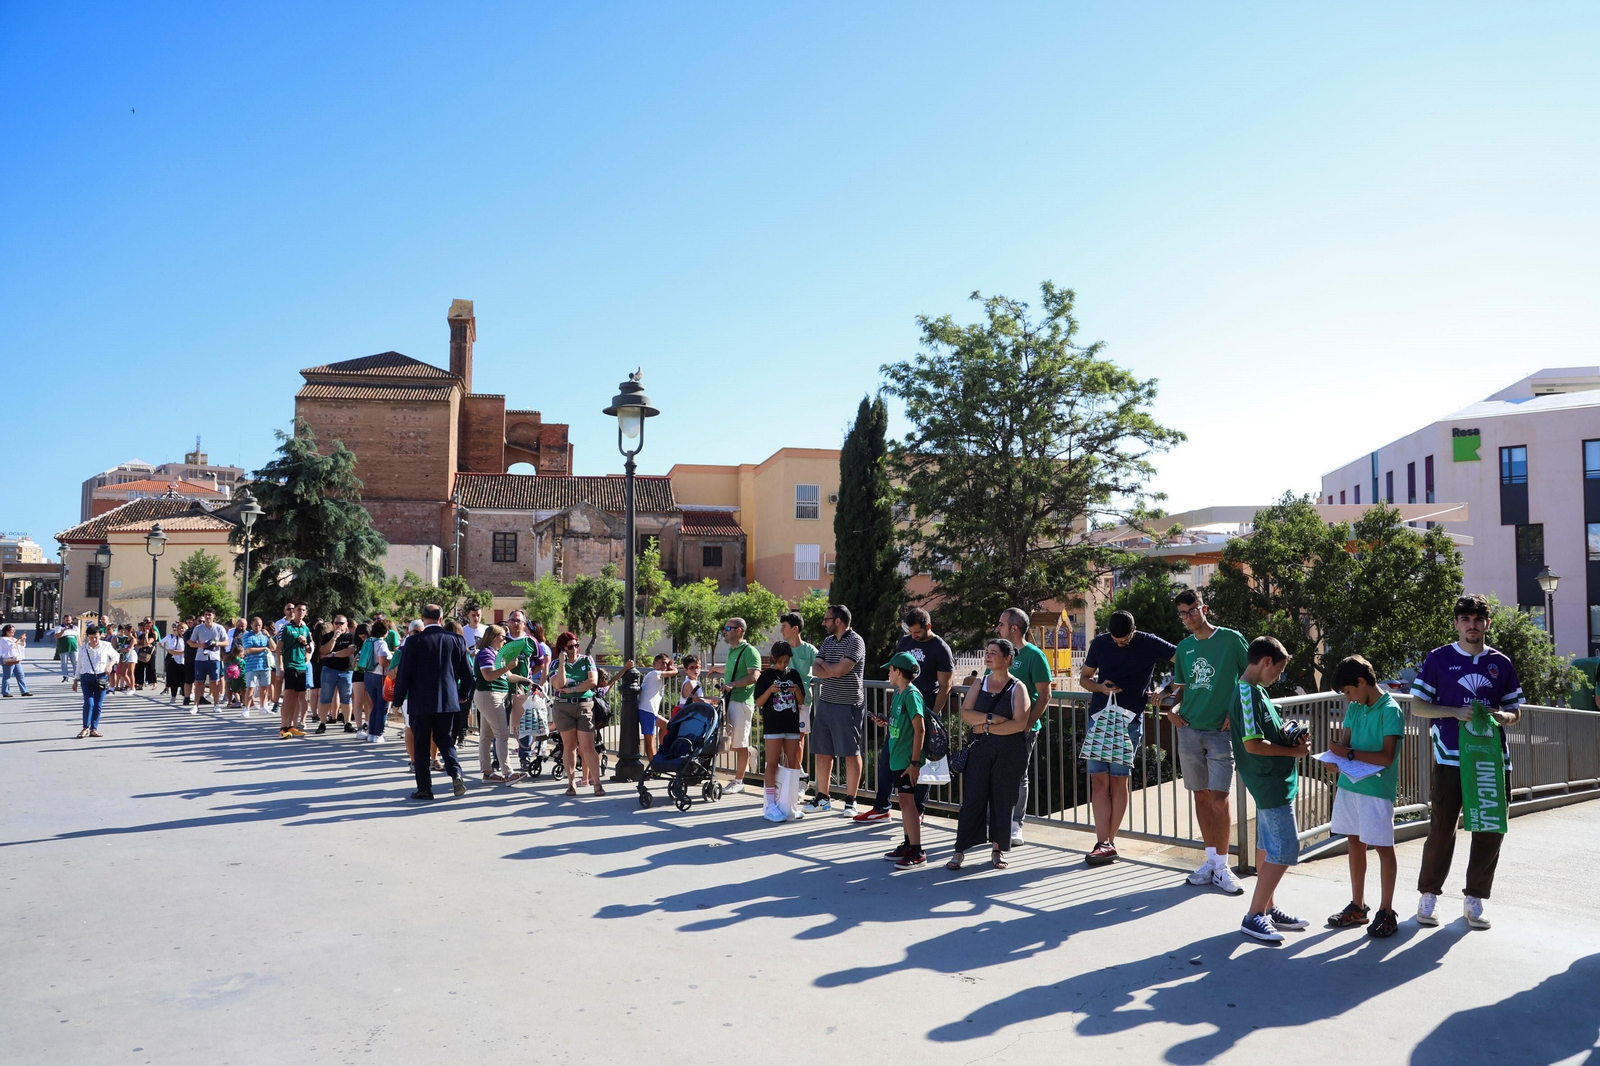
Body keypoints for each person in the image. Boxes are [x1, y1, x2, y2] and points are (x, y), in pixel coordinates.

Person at [1408, 593, 1522, 930]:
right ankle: (1429, 895)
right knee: (1442, 828)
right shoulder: (1438, 658)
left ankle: (1475, 898)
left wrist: (1502, 716)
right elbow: (1418, 706)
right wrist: (1453, 712)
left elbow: (1515, 711)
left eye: (1478, 620)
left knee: (1490, 828)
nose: (1472, 625)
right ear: (1456, 624)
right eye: (1466, 619)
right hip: (1450, 756)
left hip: (1490, 759)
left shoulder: (1501, 663)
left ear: (1487, 623)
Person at [1166, 587, 1250, 895]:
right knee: (1200, 797)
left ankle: (1224, 866)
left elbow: (1252, 678)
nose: (1188, 617)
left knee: (1219, 799)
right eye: (1182, 614)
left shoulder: (1231, 639)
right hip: (1188, 729)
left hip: (1220, 731)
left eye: (1192, 610)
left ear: (1204, 608)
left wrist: (1235, 711)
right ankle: (1211, 861)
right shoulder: (1184, 647)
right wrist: (1171, 710)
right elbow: (1182, 688)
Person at [1229, 636, 1312, 942]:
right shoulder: (1247, 694)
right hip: (1269, 782)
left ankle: (1267, 907)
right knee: (1285, 849)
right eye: (1278, 670)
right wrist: (1294, 752)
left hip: (1274, 780)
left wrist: (1289, 737)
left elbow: (1265, 733)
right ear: (1266, 661)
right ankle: (1254, 916)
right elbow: (1253, 744)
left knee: (1267, 845)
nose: (1277, 677)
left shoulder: (1256, 691)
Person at [1077, 610, 1177, 865]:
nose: (1119, 643)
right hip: (1099, 720)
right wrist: (1099, 687)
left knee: (1119, 781)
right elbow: (1084, 678)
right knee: (1098, 781)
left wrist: (1166, 689)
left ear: (1134, 630)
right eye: (1115, 639)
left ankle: (1108, 843)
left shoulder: (1149, 641)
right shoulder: (1100, 643)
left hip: (1129, 722)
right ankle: (1103, 843)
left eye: (1124, 639)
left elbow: (1186, 660)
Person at [1324, 654, 1405, 938]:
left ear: (1361, 682)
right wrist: (1335, 760)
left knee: (1383, 847)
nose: (1348, 698)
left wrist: (1346, 754)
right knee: (1354, 842)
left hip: (1376, 792)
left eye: (1348, 691)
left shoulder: (1391, 710)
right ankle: (1358, 906)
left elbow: (1386, 757)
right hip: (1349, 786)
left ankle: (1387, 911)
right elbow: (1345, 745)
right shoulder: (1356, 708)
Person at [859, 607, 952, 824]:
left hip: (923, 710)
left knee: (920, 763)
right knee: (888, 758)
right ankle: (881, 808)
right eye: (910, 632)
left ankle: (917, 810)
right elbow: (897, 673)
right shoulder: (905, 642)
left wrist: (932, 715)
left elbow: (945, 685)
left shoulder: (940, 648)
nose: (913, 636)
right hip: (902, 711)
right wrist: (892, 713)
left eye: (917, 632)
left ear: (928, 627)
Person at [947, 639, 1032, 870]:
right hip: (980, 751)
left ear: (1007, 658)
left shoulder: (1018, 688)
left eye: (994, 653)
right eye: (987, 652)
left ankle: (998, 849)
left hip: (1008, 752)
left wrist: (984, 727)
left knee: (1002, 801)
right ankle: (959, 850)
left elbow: (1019, 724)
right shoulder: (980, 682)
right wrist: (991, 719)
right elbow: (966, 714)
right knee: (972, 800)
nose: (988, 656)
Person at [392, 604, 472, 800]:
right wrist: (463, 694)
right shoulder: (456, 640)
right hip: (448, 699)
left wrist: (397, 700)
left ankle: (424, 788)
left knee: (421, 743)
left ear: (422, 618)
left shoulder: (413, 641)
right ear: (441, 619)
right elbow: (467, 673)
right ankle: (456, 772)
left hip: (420, 700)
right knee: (444, 738)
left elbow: (404, 673)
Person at [992, 608, 1053, 847]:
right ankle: (996, 822)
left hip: (1021, 729)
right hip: (996, 727)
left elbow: (1045, 695)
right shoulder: (1000, 652)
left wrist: (1027, 724)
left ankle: (1015, 823)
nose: (997, 628)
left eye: (1001, 624)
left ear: (1014, 629)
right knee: (994, 774)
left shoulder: (1034, 656)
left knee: (1018, 775)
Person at [804, 605, 868, 814]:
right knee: (823, 752)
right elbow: (815, 669)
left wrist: (827, 667)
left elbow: (842, 670)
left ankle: (851, 800)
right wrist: (832, 668)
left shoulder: (856, 641)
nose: (824, 623)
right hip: (826, 703)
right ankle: (823, 798)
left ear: (838, 621)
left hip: (848, 705)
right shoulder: (828, 641)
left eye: (827, 619)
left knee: (851, 753)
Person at [880, 651, 927, 869]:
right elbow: (901, 722)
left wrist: (914, 763)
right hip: (898, 757)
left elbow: (920, 730)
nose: (888, 673)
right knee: (904, 801)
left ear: (898, 672)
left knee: (908, 803)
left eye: (890, 670)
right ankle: (908, 844)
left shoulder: (911, 694)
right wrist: (886, 722)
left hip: (908, 760)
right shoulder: (899, 692)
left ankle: (917, 851)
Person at [548, 631, 604, 797]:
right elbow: (559, 684)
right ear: (562, 648)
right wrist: (562, 664)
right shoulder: (555, 664)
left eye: (576, 645)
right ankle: (571, 783)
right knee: (569, 746)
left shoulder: (587, 660)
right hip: (563, 707)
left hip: (584, 705)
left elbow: (592, 681)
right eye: (571, 647)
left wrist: (573, 689)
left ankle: (597, 783)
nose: (575, 649)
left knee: (587, 746)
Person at [755, 642, 806, 822]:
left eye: (786, 661)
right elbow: (759, 702)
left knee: (793, 763)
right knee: (772, 764)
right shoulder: (766, 676)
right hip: (773, 726)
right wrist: (770, 690)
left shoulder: (793, 674)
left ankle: (790, 803)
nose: (783, 665)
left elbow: (801, 701)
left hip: (791, 725)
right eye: (781, 661)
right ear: (774, 658)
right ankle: (770, 805)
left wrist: (796, 689)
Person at [473, 625, 528, 783]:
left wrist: (527, 680)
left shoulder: (497, 654)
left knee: (486, 736)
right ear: (493, 637)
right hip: (490, 695)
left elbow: (509, 676)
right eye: (503, 637)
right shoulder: (486, 653)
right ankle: (508, 773)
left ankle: (487, 773)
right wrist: (507, 667)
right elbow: (488, 676)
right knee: (502, 735)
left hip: (491, 696)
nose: (505, 640)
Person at [714, 617, 762, 794]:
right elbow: (732, 668)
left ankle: (739, 781)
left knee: (739, 744)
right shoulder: (732, 651)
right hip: (730, 701)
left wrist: (733, 684)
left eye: (728, 628)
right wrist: (715, 669)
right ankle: (751, 751)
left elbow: (753, 676)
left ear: (739, 630)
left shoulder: (750, 651)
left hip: (742, 702)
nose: (725, 631)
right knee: (733, 742)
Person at [779, 611, 818, 778]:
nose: (781, 630)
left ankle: (796, 778)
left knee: (798, 741)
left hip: (803, 701)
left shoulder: (810, 650)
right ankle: (796, 776)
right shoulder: (781, 648)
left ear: (795, 628)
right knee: (784, 741)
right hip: (782, 701)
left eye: (784, 626)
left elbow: (821, 668)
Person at [76, 624, 120, 737]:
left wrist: (110, 665)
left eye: (96, 637)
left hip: (101, 677)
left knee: (98, 704)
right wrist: (76, 679)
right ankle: (85, 727)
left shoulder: (106, 645)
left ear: (100, 635)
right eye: (91, 637)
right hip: (86, 677)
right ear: (87, 637)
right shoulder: (83, 649)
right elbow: (79, 664)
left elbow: (116, 656)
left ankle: (94, 728)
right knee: (88, 703)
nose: (94, 640)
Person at [315, 616, 357, 733]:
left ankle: (347, 723)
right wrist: (334, 638)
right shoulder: (327, 636)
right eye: (336, 623)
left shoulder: (351, 637)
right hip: (329, 670)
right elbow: (324, 650)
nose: (339, 625)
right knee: (325, 697)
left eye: (341, 623)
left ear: (346, 624)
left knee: (346, 697)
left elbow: (349, 651)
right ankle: (322, 723)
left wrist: (333, 654)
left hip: (346, 671)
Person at [277, 604, 312, 739]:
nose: (301, 612)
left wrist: (305, 643)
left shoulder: (305, 628)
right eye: (298, 609)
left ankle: (292, 725)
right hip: (290, 665)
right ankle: (283, 727)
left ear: (306, 612)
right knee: (288, 696)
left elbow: (309, 649)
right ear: (294, 611)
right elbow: (279, 649)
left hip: (301, 666)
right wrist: (281, 667)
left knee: (298, 696)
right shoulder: (287, 628)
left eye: (303, 610)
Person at [637, 653, 678, 759]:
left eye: (666, 664)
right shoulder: (654, 674)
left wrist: (669, 666)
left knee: (667, 726)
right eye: (662, 663)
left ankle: (662, 750)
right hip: (646, 710)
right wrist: (673, 668)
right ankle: (653, 764)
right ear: (654, 663)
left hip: (652, 711)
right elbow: (674, 672)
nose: (664, 666)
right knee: (650, 739)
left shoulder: (658, 675)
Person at [187, 608, 229, 709]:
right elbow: (191, 643)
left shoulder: (219, 628)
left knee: (215, 682)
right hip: (200, 658)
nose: (207, 617)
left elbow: (226, 642)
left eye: (209, 615)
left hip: (214, 658)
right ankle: (195, 706)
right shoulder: (198, 628)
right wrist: (201, 645)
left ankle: (216, 705)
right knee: (199, 682)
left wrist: (217, 643)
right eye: (206, 614)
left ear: (214, 616)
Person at [358, 620, 392, 742]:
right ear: (385, 631)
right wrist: (392, 662)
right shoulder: (381, 643)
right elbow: (383, 661)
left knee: (374, 706)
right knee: (382, 706)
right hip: (380, 676)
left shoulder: (368, 641)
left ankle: (371, 733)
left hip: (368, 675)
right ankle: (378, 734)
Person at [239, 617, 275, 715]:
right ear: (251, 625)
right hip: (252, 665)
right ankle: (246, 709)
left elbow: (274, 648)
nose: (258, 627)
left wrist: (269, 637)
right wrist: (264, 648)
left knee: (264, 687)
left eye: (259, 625)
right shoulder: (247, 636)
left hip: (265, 665)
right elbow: (249, 650)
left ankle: (263, 707)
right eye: (256, 625)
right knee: (250, 688)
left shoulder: (264, 635)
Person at [0, 625, 31, 697]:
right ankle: (5, 692)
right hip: (8, 659)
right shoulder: (3, 639)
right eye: (12, 630)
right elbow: (11, 646)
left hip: (16, 659)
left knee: (21, 675)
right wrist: (19, 639)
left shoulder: (14, 639)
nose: (13, 632)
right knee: (7, 676)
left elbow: (21, 646)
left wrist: (23, 640)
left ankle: (24, 691)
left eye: (14, 630)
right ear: (6, 631)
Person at [161, 621, 187, 701]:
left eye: (183, 628)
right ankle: (173, 696)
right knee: (175, 679)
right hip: (176, 661)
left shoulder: (188, 639)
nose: (181, 630)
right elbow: (171, 651)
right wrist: (182, 652)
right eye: (179, 628)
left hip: (186, 661)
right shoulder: (175, 638)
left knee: (185, 679)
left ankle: (185, 696)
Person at [55, 615, 79, 687]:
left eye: (69, 620)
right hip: (64, 648)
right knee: (64, 662)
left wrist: (80, 647)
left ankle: (76, 676)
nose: (68, 622)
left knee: (76, 662)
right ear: (63, 620)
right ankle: (65, 676)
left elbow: (78, 638)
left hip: (74, 647)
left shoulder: (75, 628)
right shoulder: (60, 627)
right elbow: (57, 636)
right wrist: (64, 630)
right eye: (66, 620)